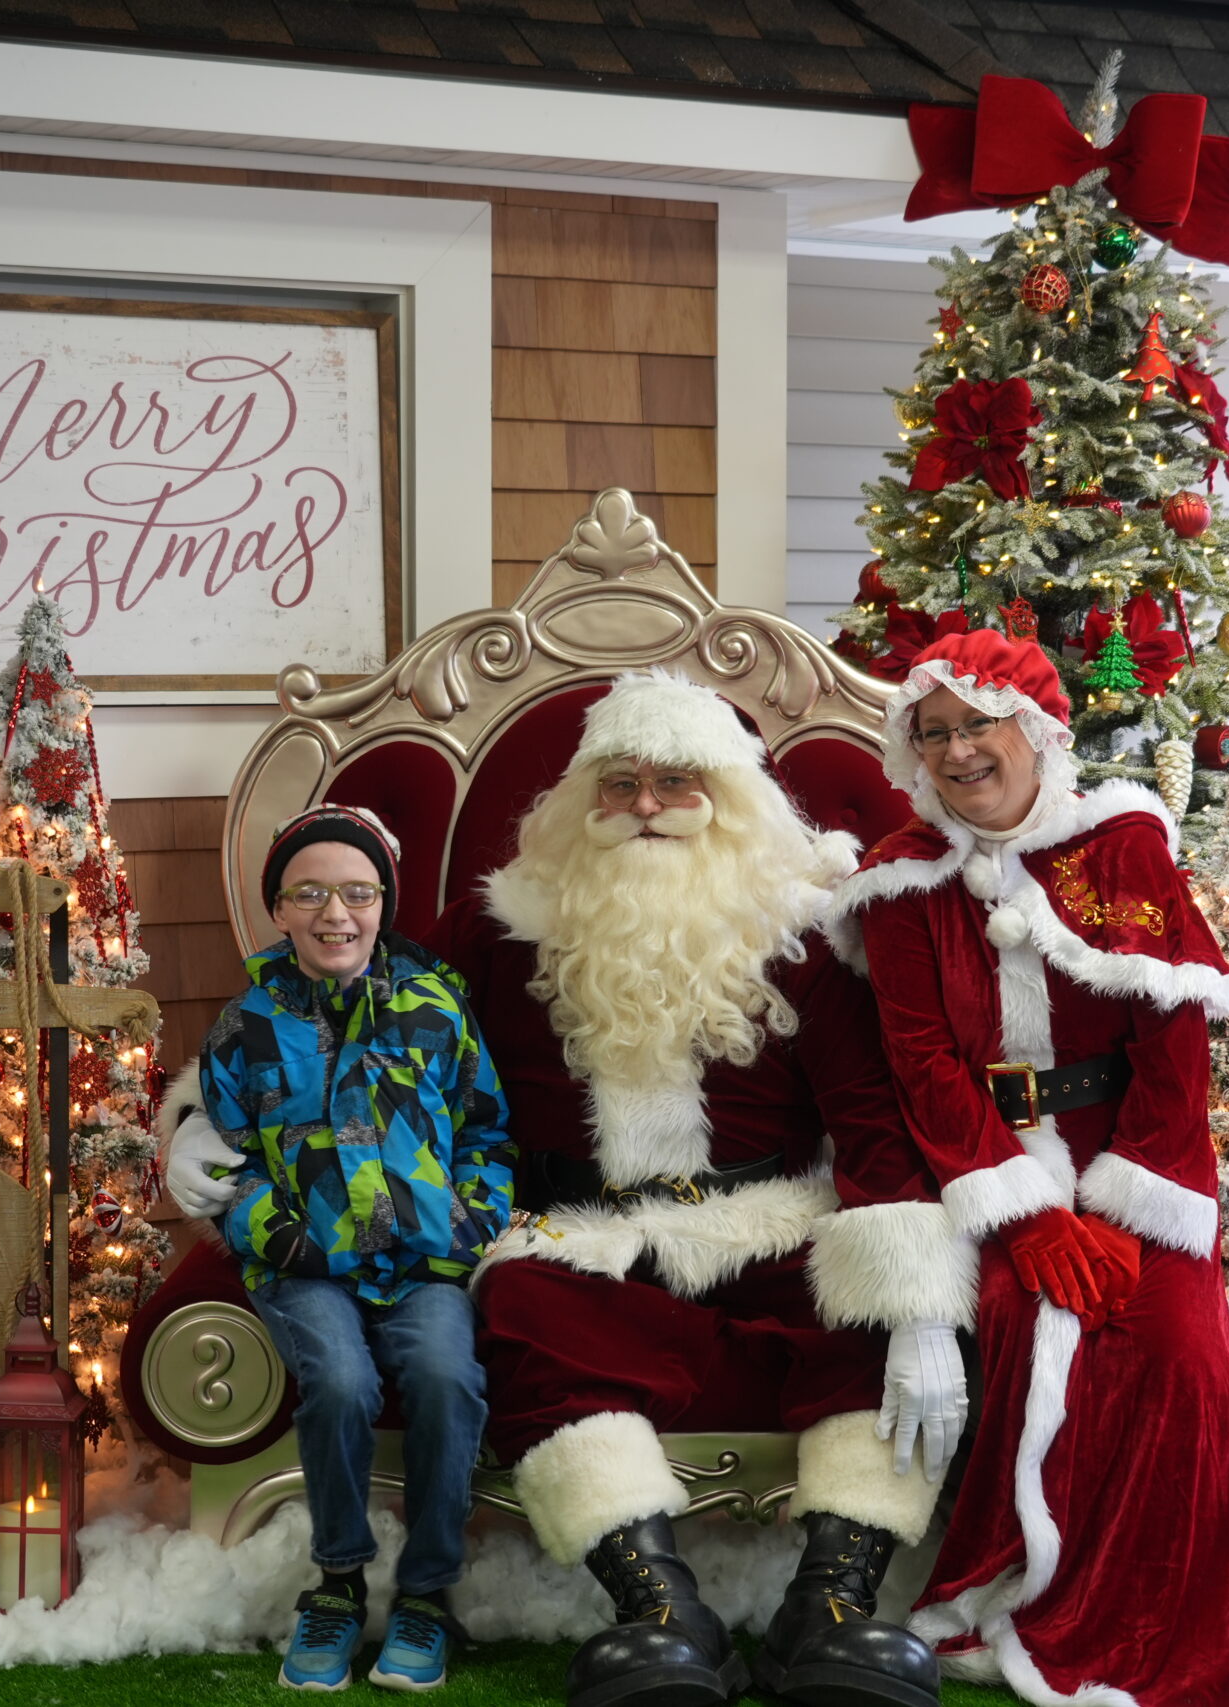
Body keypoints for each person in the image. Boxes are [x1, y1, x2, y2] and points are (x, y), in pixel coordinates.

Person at [825, 629, 1229, 1706]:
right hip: (988, 1163)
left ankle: (1186, 1609)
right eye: (936, 732)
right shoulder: (902, 882)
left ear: (1036, 729)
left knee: (1181, 1349)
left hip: (1132, 1155)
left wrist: (1121, 1203)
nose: (958, 751)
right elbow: (921, 1064)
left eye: (979, 724)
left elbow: (1173, 1046)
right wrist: (1023, 1214)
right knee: (1023, 1321)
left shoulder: (1120, 846)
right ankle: (1039, 1586)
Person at [437, 669, 943, 1707]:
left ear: (731, 799)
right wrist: (210, 1120)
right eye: (620, 784)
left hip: (768, 1227)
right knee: (519, 1300)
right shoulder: (503, 926)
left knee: (873, 1311)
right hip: (583, 1240)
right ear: (582, 801)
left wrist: (917, 1300)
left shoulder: (808, 933)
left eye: (676, 782)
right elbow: (370, 1014)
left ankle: (830, 1605)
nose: (646, 807)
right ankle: (659, 1607)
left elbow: (871, 1116)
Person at [195, 804, 514, 1693]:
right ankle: (337, 1581)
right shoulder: (245, 1026)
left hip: (421, 1261)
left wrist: (466, 1224)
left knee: (446, 1378)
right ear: (279, 908)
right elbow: (224, 1161)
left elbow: (486, 1133)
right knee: (339, 1381)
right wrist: (279, 1233)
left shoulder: (435, 1007)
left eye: (357, 893)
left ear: (383, 904)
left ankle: (427, 1593)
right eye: (310, 893)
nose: (335, 913)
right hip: (306, 1267)